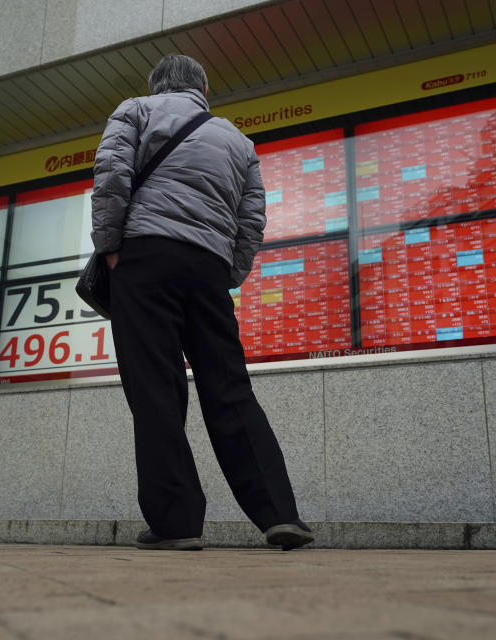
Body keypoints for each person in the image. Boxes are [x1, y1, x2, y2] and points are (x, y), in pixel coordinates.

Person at [90, 54, 313, 551]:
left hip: (144, 258)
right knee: (229, 386)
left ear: (155, 85)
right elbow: (251, 220)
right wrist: (226, 274)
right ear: (203, 90)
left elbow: (110, 178)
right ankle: (280, 514)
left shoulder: (135, 110)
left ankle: (177, 523)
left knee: (156, 390)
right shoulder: (238, 140)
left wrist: (110, 249)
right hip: (208, 269)